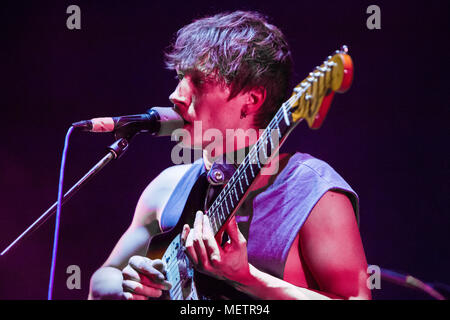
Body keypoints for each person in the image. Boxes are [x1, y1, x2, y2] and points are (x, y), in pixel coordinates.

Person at [88, 10, 371, 300]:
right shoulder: (167, 187)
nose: (176, 94)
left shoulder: (313, 190)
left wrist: (248, 279)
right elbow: (100, 282)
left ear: (252, 99)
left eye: (197, 80)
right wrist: (127, 284)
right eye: (180, 77)